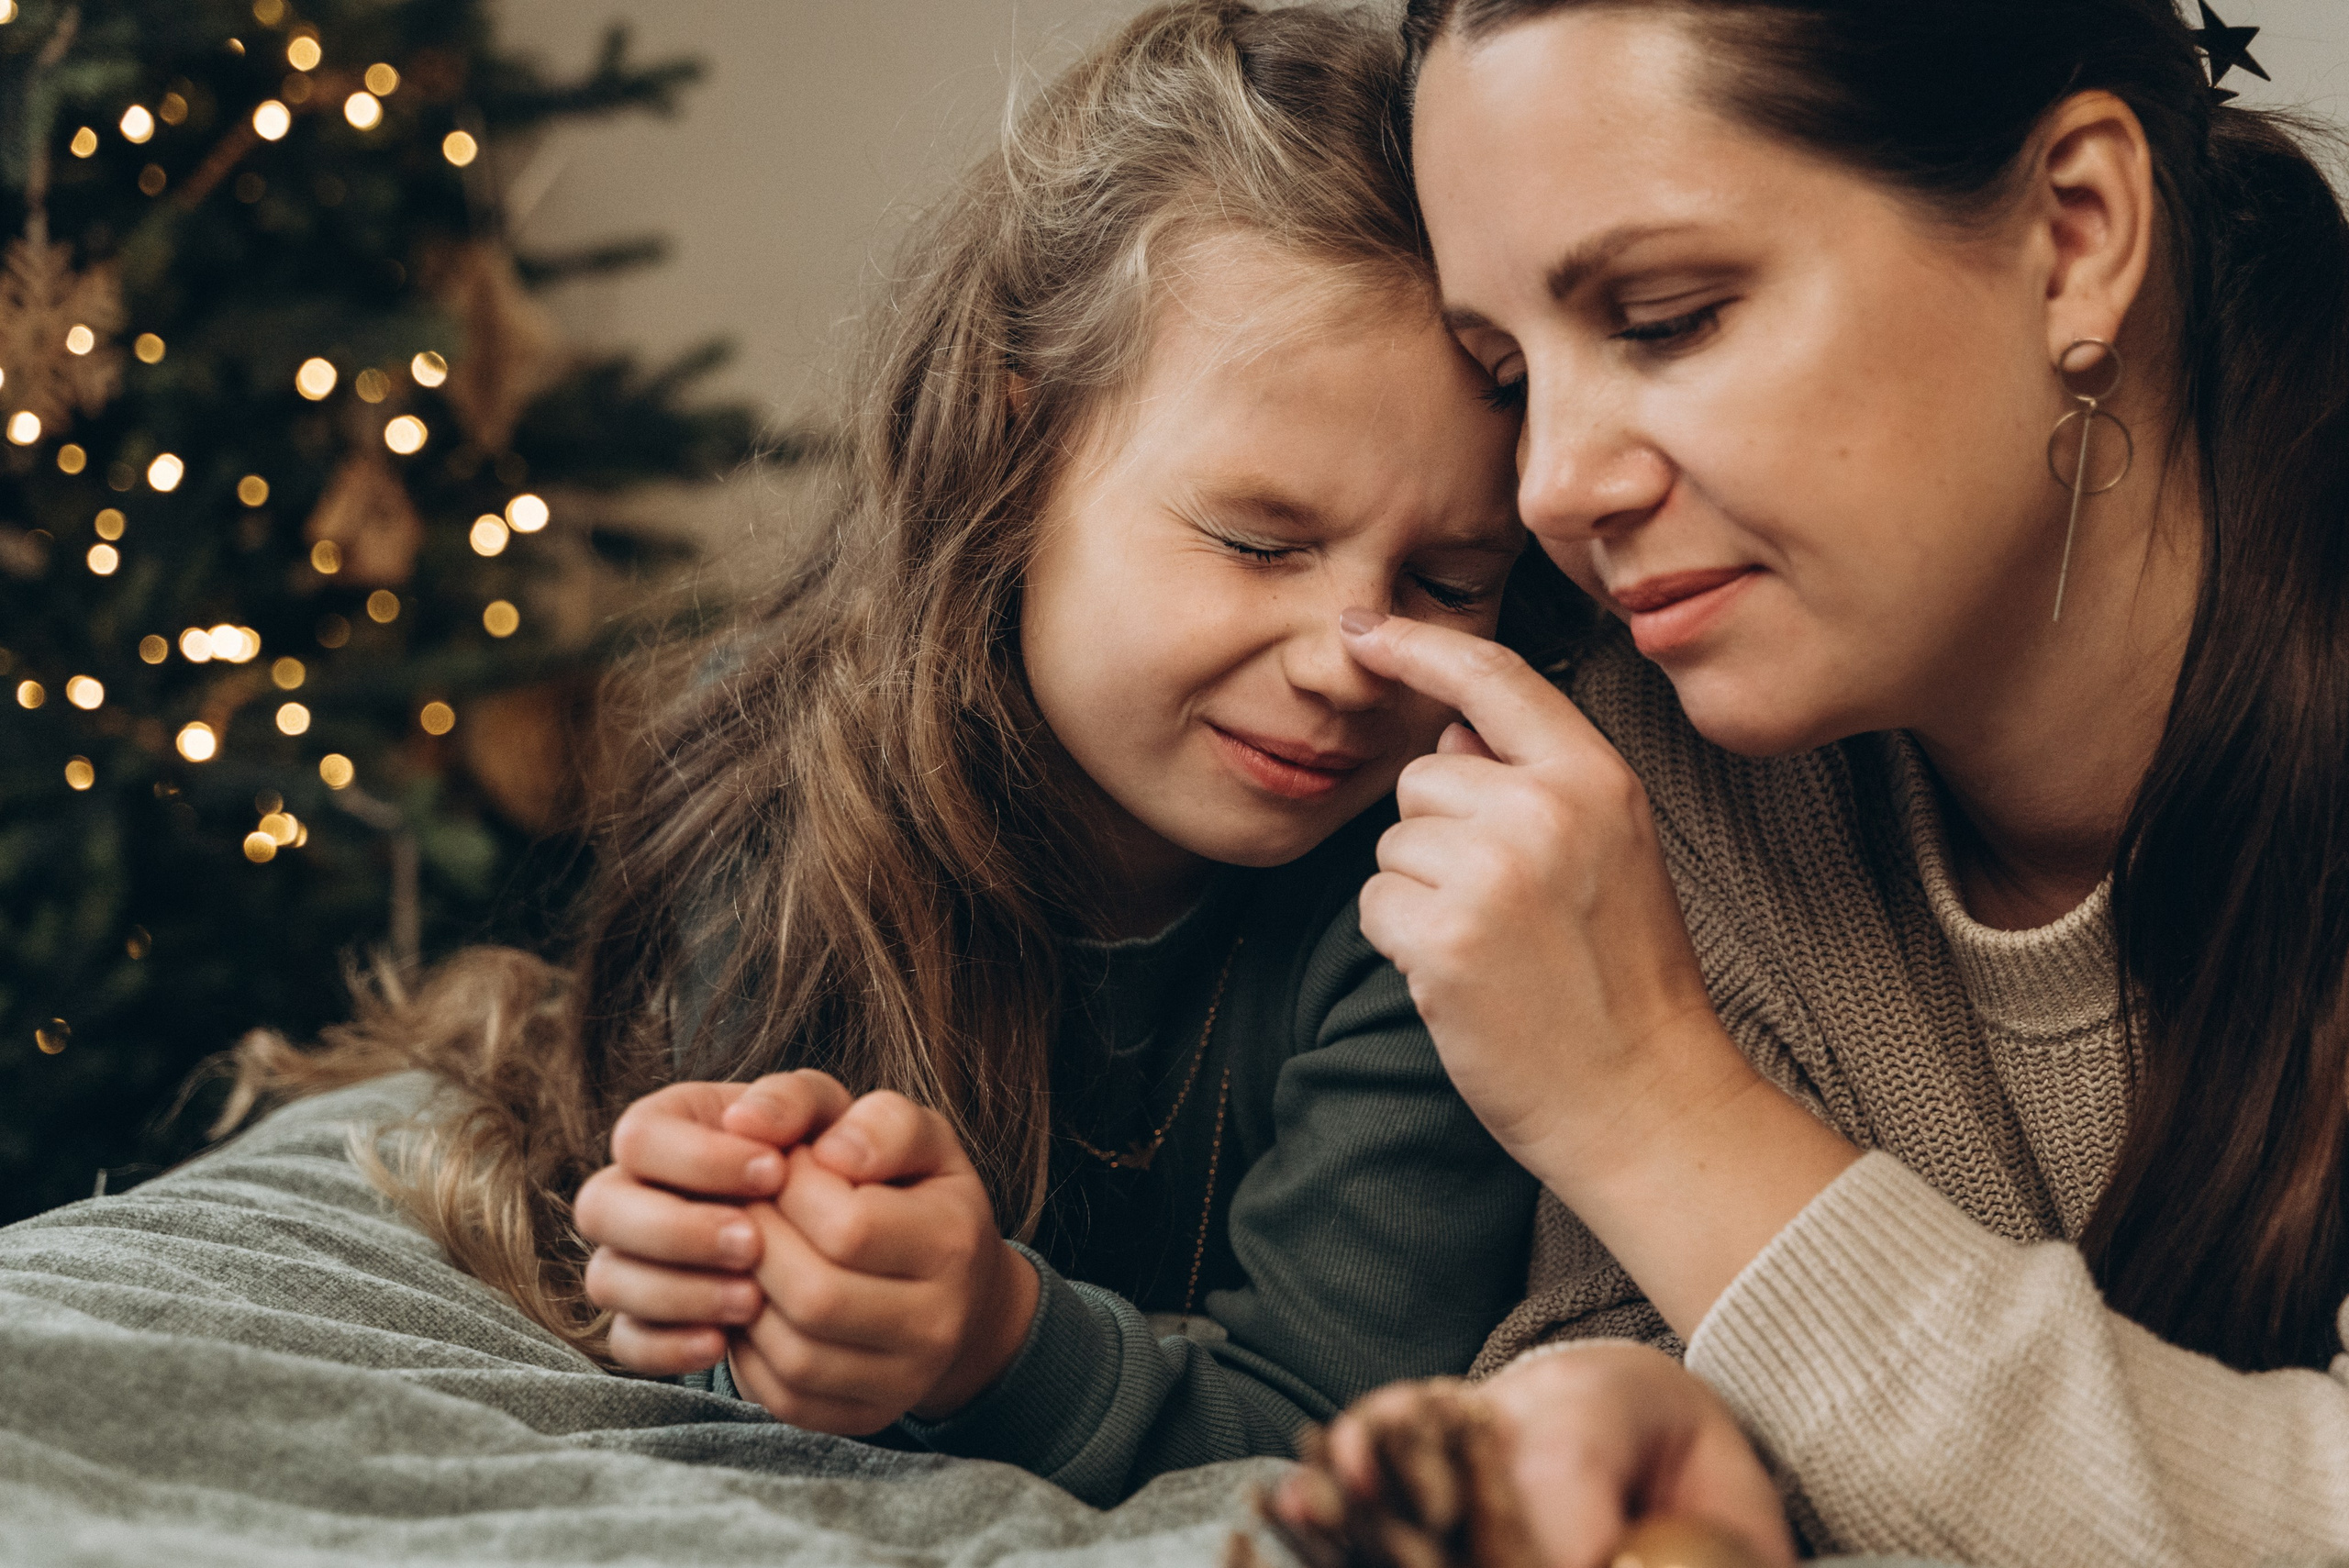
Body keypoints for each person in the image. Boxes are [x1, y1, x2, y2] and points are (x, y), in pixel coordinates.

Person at [225, 0, 1566, 1512]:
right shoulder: (794, 780)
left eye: (1453, 581)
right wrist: (716, 1267)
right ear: (1024, 441)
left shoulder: (1444, 902)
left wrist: (999, 1339)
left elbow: (1340, 1426)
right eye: (1259, 540)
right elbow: (724, 1338)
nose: (1348, 655)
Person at [1269, 2, 2349, 1566]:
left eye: (1665, 315)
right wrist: (1624, 1433)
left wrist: (1654, 1105)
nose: (1553, 485)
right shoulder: (1656, 763)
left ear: (2075, 234)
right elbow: (1663, 1328)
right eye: (1510, 375)